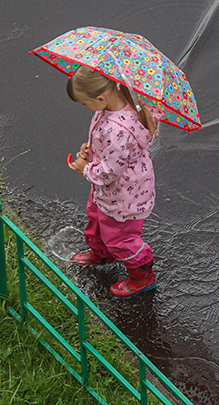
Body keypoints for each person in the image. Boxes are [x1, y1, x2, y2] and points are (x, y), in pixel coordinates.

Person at [66, 65, 163, 298]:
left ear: (100, 98)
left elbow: (110, 171)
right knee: (96, 219)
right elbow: (110, 151)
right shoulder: (114, 107)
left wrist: (84, 168)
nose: (85, 107)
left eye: (85, 103)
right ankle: (101, 254)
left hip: (122, 195)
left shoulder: (116, 130)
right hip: (108, 191)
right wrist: (92, 150)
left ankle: (142, 275)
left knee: (120, 238)